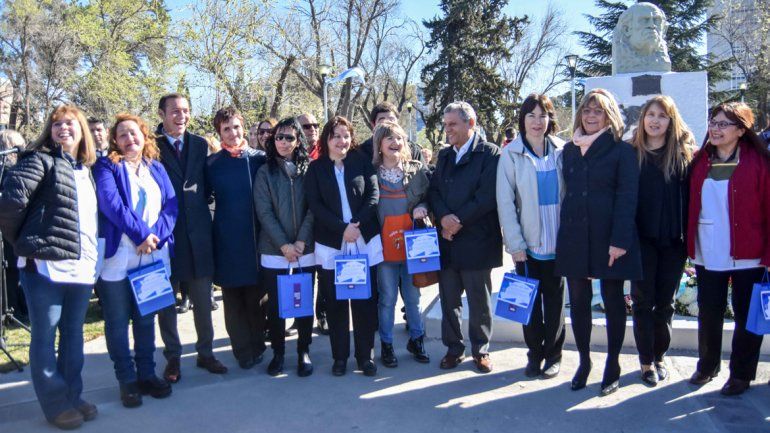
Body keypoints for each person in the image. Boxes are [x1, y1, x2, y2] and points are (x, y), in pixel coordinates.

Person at [0, 105, 99, 429]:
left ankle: (72, 395)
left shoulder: (85, 170)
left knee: (73, 336)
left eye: (70, 123)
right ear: (50, 130)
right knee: (45, 335)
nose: (63, 128)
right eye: (56, 124)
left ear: (81, 129)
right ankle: (55, 404)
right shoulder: (39, 161)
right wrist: (23, 244)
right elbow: (10, 204)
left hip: (80, 269)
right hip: (43, 269)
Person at [555, 88, 642, 396]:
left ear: (609, 116)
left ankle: (613, 364)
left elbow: (627, 197)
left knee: (613, 300)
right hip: (576, 236)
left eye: (598, 111)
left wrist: (619, 241)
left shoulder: (622, 150)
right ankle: (584, 362)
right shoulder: (568, 149)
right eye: (587, 110)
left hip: (609, 239)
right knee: (578, 302)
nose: (591, 116)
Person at [92, 114, 177, 408]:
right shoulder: (106, 166)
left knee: (145, 319)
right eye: (123, 135)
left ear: (144, 136)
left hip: (153, 255)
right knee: (117, 321)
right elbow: (111, 204)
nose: (130, 139)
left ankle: (146, 374)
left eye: (134, 133)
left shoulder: (157, 167)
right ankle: (126, 380)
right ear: (115, 140)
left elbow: (171, 204)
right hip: (118, 256)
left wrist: (156, 238)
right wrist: (142, 234)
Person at [687, 102, 770, 396]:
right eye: (714, 122)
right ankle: (707, 365)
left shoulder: (759, 163)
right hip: (708, 251)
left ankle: (741, 374)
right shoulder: (700, 161)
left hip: (748, 251)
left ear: (741, 129)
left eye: (724, 124)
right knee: (709, 310)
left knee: (746, 315)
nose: (716, 128)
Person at [154, 93, 225, 383]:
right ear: (161, 114)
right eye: (174, 111)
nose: (181, 116)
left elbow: (209, 185)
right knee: (166, 303)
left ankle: (205, 352)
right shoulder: (152, 147)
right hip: (165, 236)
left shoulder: (199, 144)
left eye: (185, 110)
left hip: (198, 234)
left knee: (202, 299)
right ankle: (172, 357)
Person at [305, 115, 383, 377]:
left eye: (346, 135)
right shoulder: (316, 169)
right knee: (336, 303)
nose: (342, 141)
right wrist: (342, 229)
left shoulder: (361, 161)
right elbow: (315, 205)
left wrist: (356, 224)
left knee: (364, 303)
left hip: (363, 241)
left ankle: (365, 357)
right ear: (327, 139)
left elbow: (373, 195)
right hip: (332, 245)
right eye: (336, 135)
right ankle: (340, 358)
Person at [496, 93, 566, 379]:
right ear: (522, 120)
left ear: (550, 120)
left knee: (556, 304)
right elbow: (505, 202)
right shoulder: (511, 155)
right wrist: (515, 243)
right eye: (531, 116)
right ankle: (534, 355)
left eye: (543, 115)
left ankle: (554, 355)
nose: (537, 122)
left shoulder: (562, 151)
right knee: (530, 304)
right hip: (528, 246)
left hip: (558, 244)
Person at [428, 101, 502, 373]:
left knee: (479, 301)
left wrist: (457, 221)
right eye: (445, 124)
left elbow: (486, 196)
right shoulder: (445, 155)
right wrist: (444, 217)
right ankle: (453, 349)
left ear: (470, 123)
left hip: (477, 240)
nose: (447, 130)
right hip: (447, 241)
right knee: (448, 300)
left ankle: (480, 350)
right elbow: (434, 190)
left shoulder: (490, 153)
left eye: (452, 125)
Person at [630, 96, 693, 387]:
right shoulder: (631, 153)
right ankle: (645, 363)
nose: (655, 120)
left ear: (671, 121)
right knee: (643, 303)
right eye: (650, 114)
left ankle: (659, 356)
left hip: (673, 242)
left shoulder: (682, 155)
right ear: (643, 119)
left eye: (662, 116)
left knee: (665, 304)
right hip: (641, 241)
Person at [254, 117, 316, 377]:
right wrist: (284, 245)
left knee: (303, 303)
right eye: (278, 137)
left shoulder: (309, 169)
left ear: (298, 140)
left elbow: (314, 207)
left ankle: (303, 350)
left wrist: (300, 241)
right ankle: (278, 352)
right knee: (277, 306)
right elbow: (264, 212)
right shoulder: (264, 171)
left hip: (305, 250)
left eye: (289, 137)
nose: (282, 142)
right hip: (274, 251)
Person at [206, 106, 266, 370]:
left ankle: (258, 344)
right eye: (226, 129)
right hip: (227, 239)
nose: (232, 133)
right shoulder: (213, 164)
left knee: (256, 299)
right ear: (219, 132)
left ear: (244, 127)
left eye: (236, 127)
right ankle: (242, 350)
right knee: (233, 301)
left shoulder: (259, 159)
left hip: (256, 239)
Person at [372, 121, 431, 368]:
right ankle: (386, 344)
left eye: (399, 138)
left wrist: (423, 207)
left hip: (412, 247)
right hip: (384, 248)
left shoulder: (417, 170)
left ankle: (417, 339)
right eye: (389, 139)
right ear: (380, 145)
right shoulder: (372, 173)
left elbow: (430, 197)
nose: (395, 143)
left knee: (413, 298)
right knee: (387, 299)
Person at [297, 112, 328, 333]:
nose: (312, 129)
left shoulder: (326, 153)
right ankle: (300, 319)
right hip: (302, 225)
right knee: (304, 276)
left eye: (315, 125)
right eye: (306, 126)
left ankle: (322, 314)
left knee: (324, 275)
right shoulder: (292, 154)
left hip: (325, 223)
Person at [0, 129, 26, 323]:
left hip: (18, 228)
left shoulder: (20, 168)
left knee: (16, 269)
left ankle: (19, 307)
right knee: (8, 269)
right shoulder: (6, 170)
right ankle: (11, 310)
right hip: (7, 229)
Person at [357, 101, 425, 164]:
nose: (388, 123)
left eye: (391, 119)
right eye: (382, 119)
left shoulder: (412, 149)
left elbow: (424, 174)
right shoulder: (363, 151)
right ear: (373, 125)